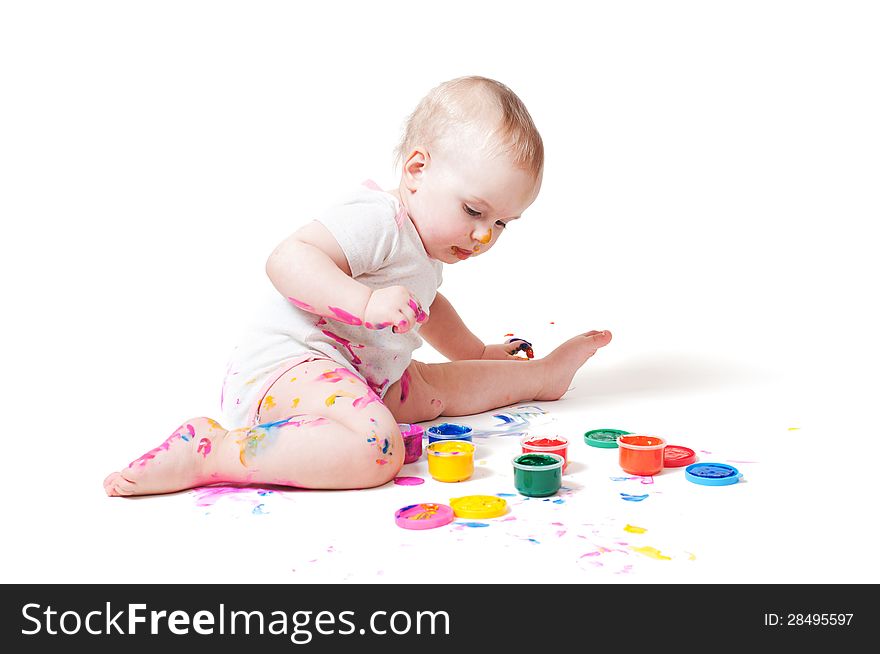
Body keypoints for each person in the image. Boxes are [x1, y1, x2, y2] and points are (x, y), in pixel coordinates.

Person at [103, 75, 612, 497]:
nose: (483, 236)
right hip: (288, 372)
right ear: (417, 169)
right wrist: (363, 303)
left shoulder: (425, 245)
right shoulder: (376, 219)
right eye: (475, 211)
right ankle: (211, 451)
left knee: (442, 390)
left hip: (363, 374)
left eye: (503, 223)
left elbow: (428, 307)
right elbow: (287, 259)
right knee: (376, 450)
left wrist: (476, 351)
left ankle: (541, 377)